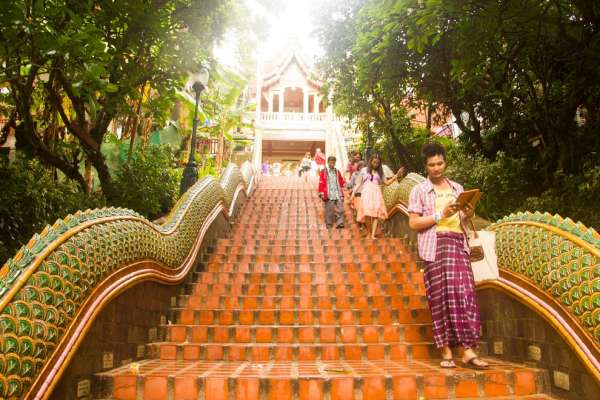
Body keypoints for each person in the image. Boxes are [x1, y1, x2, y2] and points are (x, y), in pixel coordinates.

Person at [407, 142, 487, 370]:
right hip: (434, 247)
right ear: (425, 166)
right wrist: (439, 214)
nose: (436, 168)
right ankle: (446, 350)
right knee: (440, 298)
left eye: (440, 163)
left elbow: (462, 220)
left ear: (445, 162)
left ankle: (468, 350)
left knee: (464, 295)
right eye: (431, 164)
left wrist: (468, 212)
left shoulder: (457, 188)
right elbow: (413, 223)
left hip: (457, 245)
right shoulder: (419, 190)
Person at [356, 154, 404, 239]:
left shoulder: (380, 172)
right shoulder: (364, 170)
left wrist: (397, 175)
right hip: (366, 192)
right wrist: (353, 194)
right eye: (374, 162)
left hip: (376, 193)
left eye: (377, 163)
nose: (375, 164)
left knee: (375, 215)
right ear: (370, 161)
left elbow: (387, 183)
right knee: (367, 213)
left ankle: (373, 235)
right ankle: (369, 233)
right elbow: (358, 183)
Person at [318, 156, 346, 229]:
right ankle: (329, 224)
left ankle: (340, 223)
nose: (332, 163)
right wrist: (321, 192)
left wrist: (344, 184)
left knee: (341, 209)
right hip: (328, 193)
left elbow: (341, 181)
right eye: (331, 162)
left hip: (338, 193)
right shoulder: (324, 171)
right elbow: (321, 182)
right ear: (328, 162)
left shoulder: (337, 171)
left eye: (333, 162)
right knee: (329, 210)